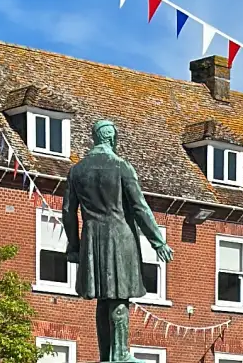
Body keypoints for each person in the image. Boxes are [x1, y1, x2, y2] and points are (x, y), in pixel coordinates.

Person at [64, 120, 174, 362]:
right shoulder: (121, 166)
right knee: (119, 298)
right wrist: (159, 242)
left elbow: (68, 212)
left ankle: (106, 355)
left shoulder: (77, 171)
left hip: (92, 240)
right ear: (112, 139)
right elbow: (140, 208)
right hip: (119, 238)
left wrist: (74, 246)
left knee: (103, 300)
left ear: (94, 138)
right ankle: (121, 354)